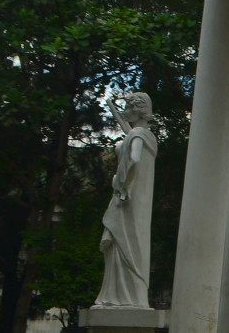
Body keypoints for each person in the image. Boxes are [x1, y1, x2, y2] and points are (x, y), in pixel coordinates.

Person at [95, 92, 158, 308]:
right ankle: (121, 296)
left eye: (129, 108)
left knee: (124, 244)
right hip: (133, 199)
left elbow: (135, 159)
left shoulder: (138, 134)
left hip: (126, 198)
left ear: (139, 110)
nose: (125, 112)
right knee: (123, 246)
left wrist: (124, 186)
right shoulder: (145, 135)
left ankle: (120, 297)